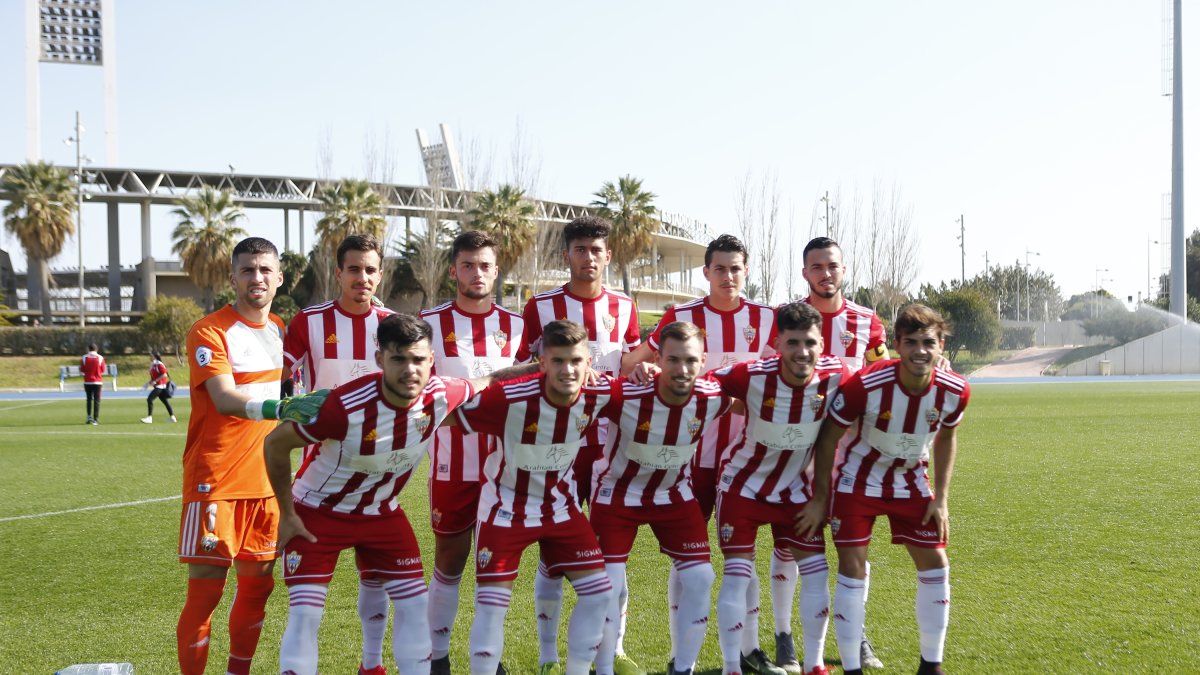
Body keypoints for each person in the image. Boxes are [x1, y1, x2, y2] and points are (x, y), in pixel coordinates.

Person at [264, 313, 534, 675]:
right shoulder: (344, 407)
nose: (411, 369)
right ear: (380, 360)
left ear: (432, 359)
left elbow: (490, 380)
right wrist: (287, 512)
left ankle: (373, 667)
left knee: (414, 608)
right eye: (399, 359)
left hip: (380, 511)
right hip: (317, 512)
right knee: (306, 613)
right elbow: (275, 444)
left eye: (419, 359)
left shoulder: (442, 393)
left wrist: (546, 367)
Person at [626, 234, 781, 673]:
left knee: (742, 557)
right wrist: (644, 367)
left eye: (735, 268)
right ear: (706, 272)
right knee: (687, 557)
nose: (728, 276)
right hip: (691, 457)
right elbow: (636, 362)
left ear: (745, 271)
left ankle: (750, 649)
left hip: (750, 457)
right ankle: (682, 656)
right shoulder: (682, 315)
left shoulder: (767, 319)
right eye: (720, 268)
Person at [175, 237, 329, 675]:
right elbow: (224, 399)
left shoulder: (279, 328)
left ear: (279, 278)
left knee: (258, 588)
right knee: (206, 594)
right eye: (247, 270)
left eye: (265, 270)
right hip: (215, 481)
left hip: (266, 482)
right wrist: (281, 409)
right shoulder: (209, 330)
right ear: (233, 278)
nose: (256, 278)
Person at [796, 304, 971, 675]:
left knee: (936, 563)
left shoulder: (956, 390)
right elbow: (828, 438)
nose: (920, 351)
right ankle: (851, 667)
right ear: (897, 345)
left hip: (910, 479)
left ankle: (931, 665)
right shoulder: (866, 384)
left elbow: (946, 439)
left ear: (942, 345)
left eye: (928, 342)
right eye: (911, 343)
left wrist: (941, 499)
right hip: (858, 479)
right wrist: (822, 496)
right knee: (852, 568)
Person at [517, 216, 644, 675]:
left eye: (596, 250)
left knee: (614, 553)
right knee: (554, 551)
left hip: (613, 445)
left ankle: (616, 650)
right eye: (580, 249)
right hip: (560, 445)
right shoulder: (541, 306)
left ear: (608, 256)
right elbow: (526, 369)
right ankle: (551, 658)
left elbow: (627, 361)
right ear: (566, 255)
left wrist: (640, 368)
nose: (588, 258)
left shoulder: (625, 305)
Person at [455, 320, 617, 675]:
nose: (568, 370)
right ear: (541, 363)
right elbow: (450, 413)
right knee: (492, 606)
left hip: (561, 508)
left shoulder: (601, 392)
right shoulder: (508, 398)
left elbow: (648, 393)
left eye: (576, 360)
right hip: (504, 509)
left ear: (589, 361)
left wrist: (647, 370)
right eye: (557, 361)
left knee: (600, 594)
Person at [709, 302, 850, 675]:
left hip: (795, 493)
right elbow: (703, 380)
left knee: (817, 572)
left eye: (810, 342)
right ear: (777, 343)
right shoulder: (752, 373)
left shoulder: (837, 374)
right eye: (792, 343)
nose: (802, 352)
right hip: (743, 488)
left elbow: (878, 383)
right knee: (739, 573)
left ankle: (814, 664)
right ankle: (731, 667)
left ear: (822, 344)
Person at [281, 233, 396, 675]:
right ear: (338, 272)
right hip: (322, 468)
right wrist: (291, 404)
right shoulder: (308, 322)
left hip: (378, 469)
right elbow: (280, 378)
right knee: (310, 589)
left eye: (370, 270)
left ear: (379, 274)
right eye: (353, 269)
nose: (362, 278)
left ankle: (373, 665)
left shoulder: (392, 324)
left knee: (377, 574)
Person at [590, 321, 731, 675]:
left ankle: (682, 667)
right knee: (608, 582)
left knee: (701, 578)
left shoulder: (713, 396)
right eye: (673, 360)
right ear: (658, 358)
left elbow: (753, 391)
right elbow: (577, 386)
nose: (682, 369)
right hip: (618, 494)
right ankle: (604, 666)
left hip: (673, 494)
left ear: (703, 362)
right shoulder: (626, 393)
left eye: (690, 360)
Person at [420, 230, 525, 675]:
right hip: (451, 461)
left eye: (485, 265)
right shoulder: (429, 323)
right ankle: (437, 657)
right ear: (453, 270)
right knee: (449, 557)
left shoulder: (517, 325)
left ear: (496, 271)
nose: (476, 273)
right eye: (468, 265)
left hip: (505, 463)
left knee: (495, 562)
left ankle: (489, 658)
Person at [796, 236, 889, 670]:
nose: (825, 273)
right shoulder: (791, 320)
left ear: (843, 269)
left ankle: (857, 631)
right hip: (800, 452)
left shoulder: (867, 322)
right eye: (817, 266)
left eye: (832, 265)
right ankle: (785, 635)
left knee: (854, 548)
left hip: (854, 453)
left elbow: (884, 371)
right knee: (795, 547)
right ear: (805, 273)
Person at [142, 351, 177, 423]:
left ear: (154, 356)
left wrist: (156, 381)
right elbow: (154, 377)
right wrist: (147, 384)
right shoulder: (153, 365)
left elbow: (164, 375)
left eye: (151, 355)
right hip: (158, 386)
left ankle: (149, 417)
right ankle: (172, 417)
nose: (150, 357)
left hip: (160, 386)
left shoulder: (159, 364)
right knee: (165, 402)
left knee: (149, 399)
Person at [81, 342, 105, 425]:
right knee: (97, 401)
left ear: (88, 349)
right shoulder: (100, 357)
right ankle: (96, 419)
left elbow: (82, 369)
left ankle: (88, 417)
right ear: (96, 349)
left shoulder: (84, 357)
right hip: (97, 382)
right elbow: (103, 370)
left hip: (87, 382)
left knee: (88, 400)